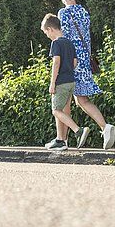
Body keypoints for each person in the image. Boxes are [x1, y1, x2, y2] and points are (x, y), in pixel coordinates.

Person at [58, 0, 115, 150]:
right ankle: (105, 127)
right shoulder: (84, 12)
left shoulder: (64, 13)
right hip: (84, 60)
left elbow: (65, 39)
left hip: (71, 61)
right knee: (82, 100)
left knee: (64, 102)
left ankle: (64, 139)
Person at [41, 14, 87, 151]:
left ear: (50, 29)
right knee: (64, 111)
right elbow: (74, 62)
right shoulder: (69, 43)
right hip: (71, 81)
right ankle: (60, 141)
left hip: (61, 82)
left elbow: (56, 63)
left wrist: (52, 82)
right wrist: (67, 71)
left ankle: (78, 130)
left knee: (56, 110)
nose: (47, 35)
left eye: (46, 32)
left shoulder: (56, 43)